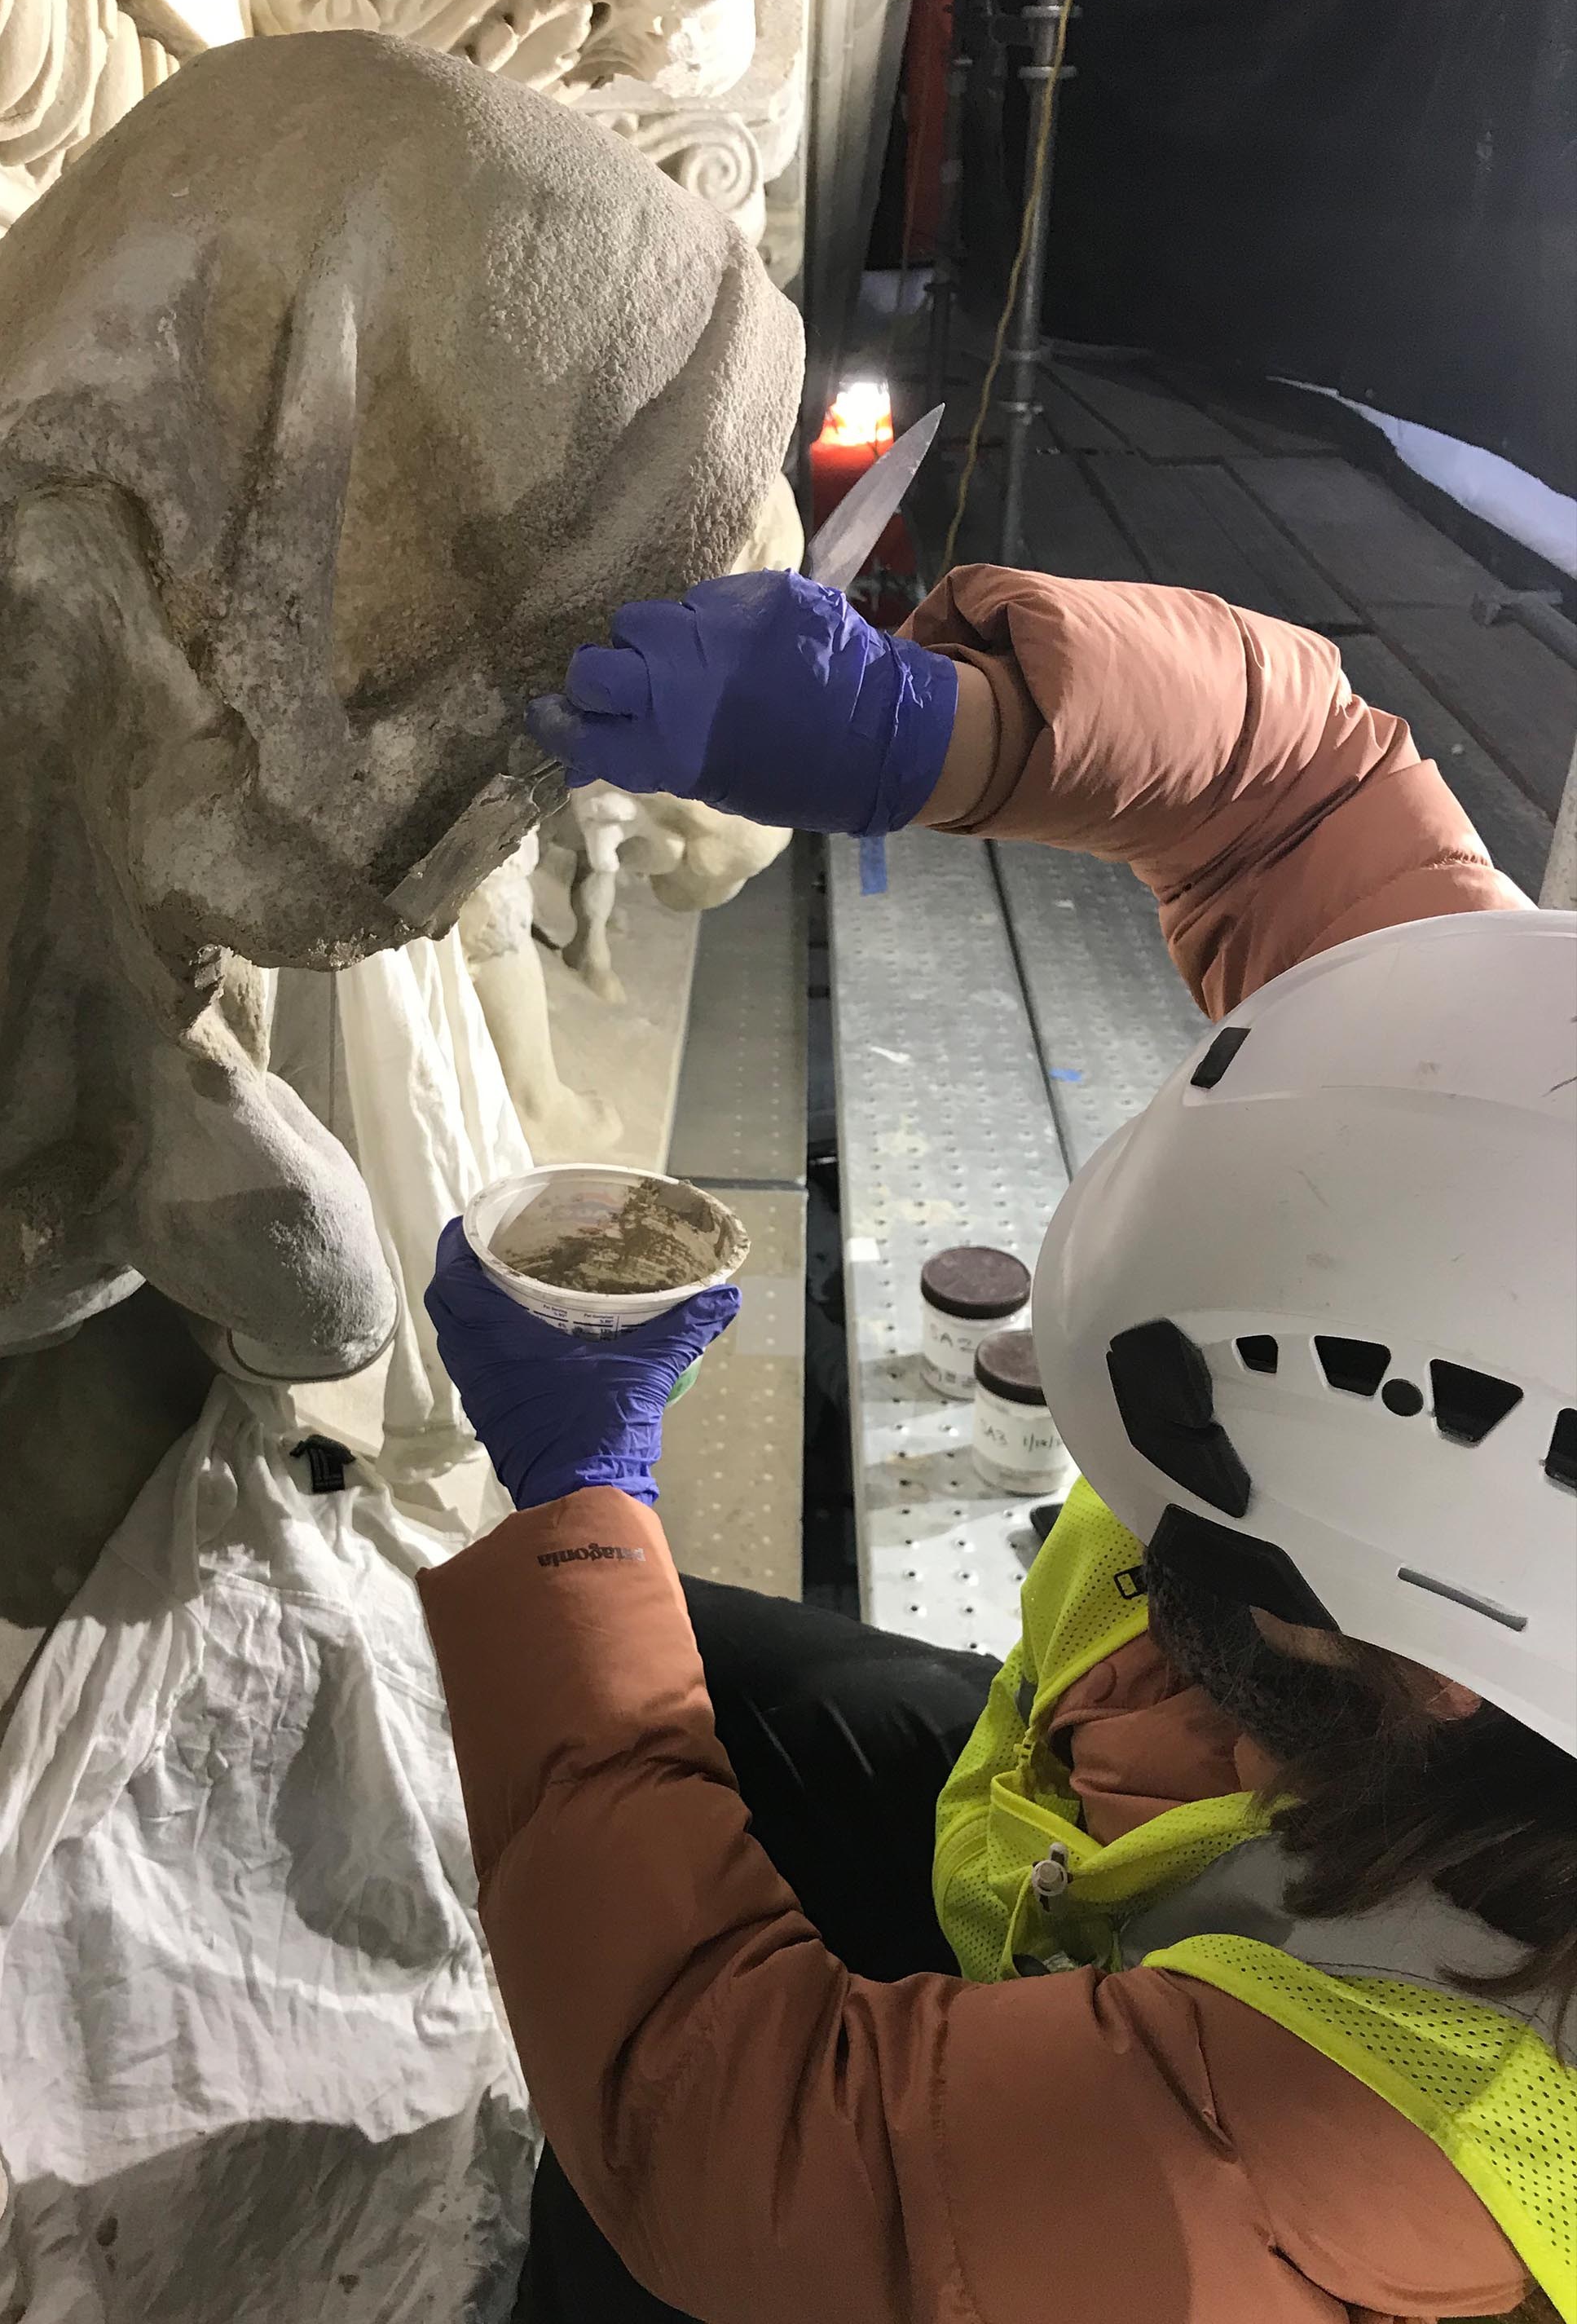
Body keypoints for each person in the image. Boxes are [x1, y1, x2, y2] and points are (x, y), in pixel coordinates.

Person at [416, 566, 1577, 2324]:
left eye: (1201, 1523)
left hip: (1108, 2122)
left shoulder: (1409, 2124)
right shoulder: (1518, 1144)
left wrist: (581, 1500)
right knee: (712, 1688)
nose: (1132, 1523)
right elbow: (1308, 786)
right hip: (1113, 1823)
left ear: (1447, 1671)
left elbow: (740, 2155)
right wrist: (950, 729)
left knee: (629, 2205)